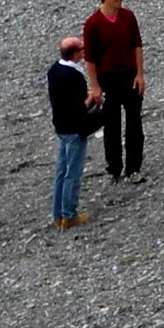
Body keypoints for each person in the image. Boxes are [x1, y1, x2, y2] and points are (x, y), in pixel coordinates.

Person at [83, 0, 147, 184]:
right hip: (108, 78)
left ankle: (133, 167)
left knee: (134, 122)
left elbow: (137, 45)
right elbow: (90, 59)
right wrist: (94, 86)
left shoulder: (128, 17)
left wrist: (140, 74)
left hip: (129, 75)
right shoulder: (93, 23)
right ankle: (114, 167)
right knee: (111, 125)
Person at [46, 35, 99, 228]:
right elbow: (79, 108)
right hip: (74, 128)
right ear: (76, 54)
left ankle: (57, 215)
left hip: (61, 126)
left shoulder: (54, 70)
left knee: (61, 171)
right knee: (72, 173)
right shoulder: (74, 76)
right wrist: (92, 98)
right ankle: (69, 214)